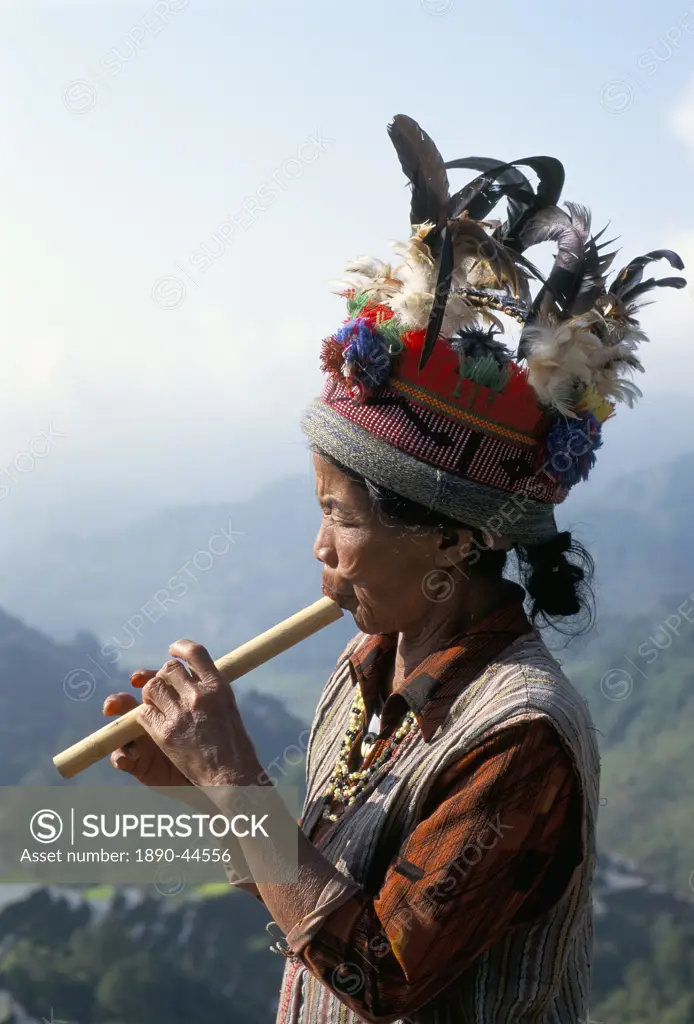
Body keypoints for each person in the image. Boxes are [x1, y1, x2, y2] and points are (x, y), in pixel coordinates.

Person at [103, 116, 685, 1023]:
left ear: (454, 540)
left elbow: (380, 973)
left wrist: (234, 779)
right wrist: (200, 789)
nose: (320, 549)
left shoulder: (520, 736)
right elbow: (314, 910)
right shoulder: (370, 668)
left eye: (340, 515)